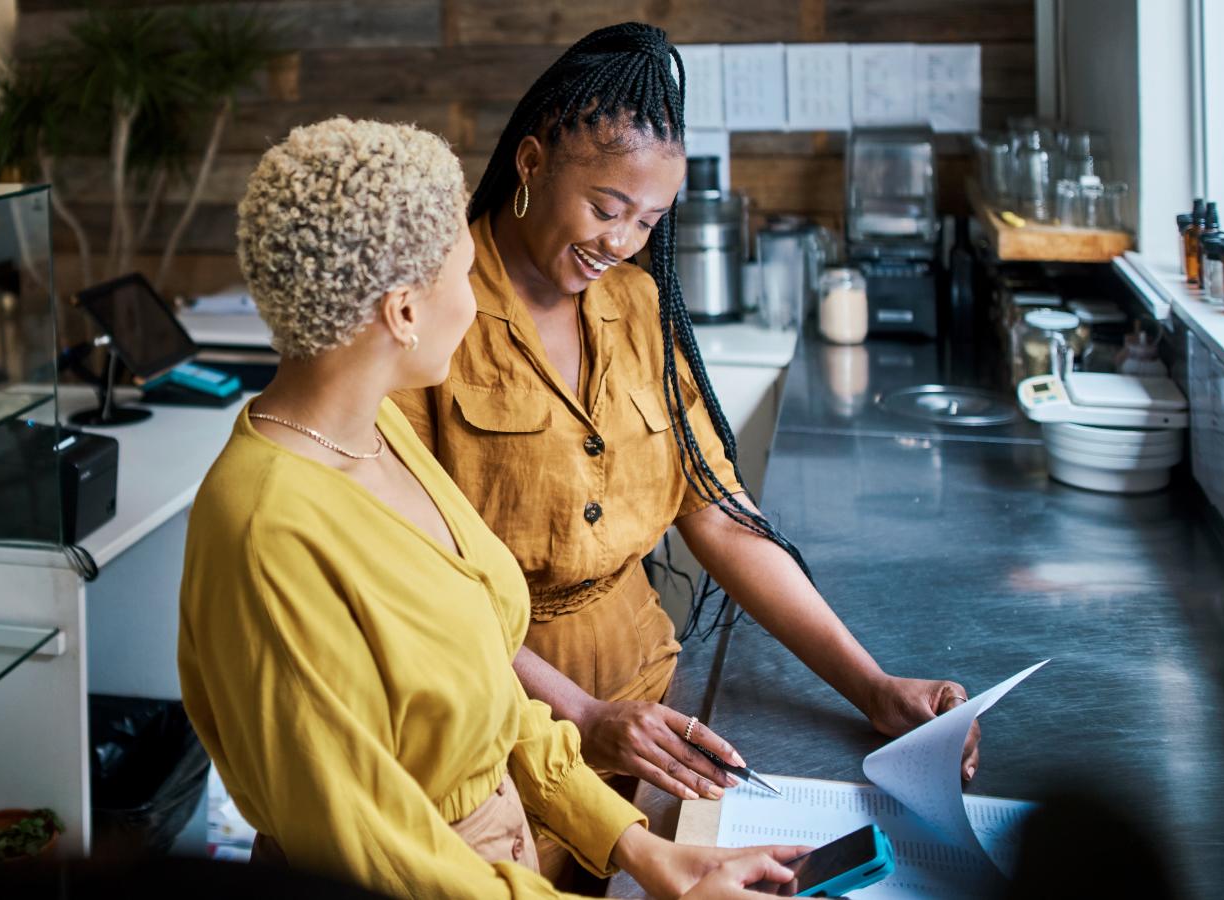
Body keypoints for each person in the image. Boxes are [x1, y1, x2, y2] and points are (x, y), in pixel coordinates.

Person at [390, 23, 980, 880]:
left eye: (650, 219)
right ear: (530, 163)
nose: (622, 242)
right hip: (495, 721)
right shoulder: (435, 308)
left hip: (647, 706)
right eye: (604, 207)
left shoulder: (636, 305)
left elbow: (720, 513)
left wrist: (875, 689)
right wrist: (581, 714)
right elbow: (413, 578)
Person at [176, 116, 807, 899]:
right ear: (405, 312)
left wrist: (644, 852)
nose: (479, 310)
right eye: (466, 275)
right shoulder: (265, 529)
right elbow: (375, 852)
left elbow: (484, 686)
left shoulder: (374, 433)